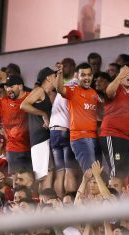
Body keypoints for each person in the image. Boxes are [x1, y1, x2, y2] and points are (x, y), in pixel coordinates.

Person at [57, 62, 100, 172]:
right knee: (91, 173)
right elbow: (60, 89)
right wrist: (60, 73)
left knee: (96, 173)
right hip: (80, 138)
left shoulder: (94, 93)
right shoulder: (73, 90)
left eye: (89, 75)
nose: (87, 78)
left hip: (94, 137)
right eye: (83, 75)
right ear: (77, 76)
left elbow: (98, 114)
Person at [20, 67, 56, 187]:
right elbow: (23, 105)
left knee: (45, 173)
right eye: (55, 76)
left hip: (42, 137)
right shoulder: (39, 90)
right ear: (49, 78)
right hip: (39, 139)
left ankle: (43, 202)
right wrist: (44, 114)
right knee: (46, 174)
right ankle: (44, 203)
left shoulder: (45, 93)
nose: (57, 79)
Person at [49, 58, 79, 198]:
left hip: (57, 131)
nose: (63, 68)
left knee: (61, 172)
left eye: (66, 65)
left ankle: (61, 203)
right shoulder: (69, 84)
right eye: (62, 66)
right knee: (67, 171)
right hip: (62, 131)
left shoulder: (74, 83)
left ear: (73, 67)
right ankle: (67, 205)